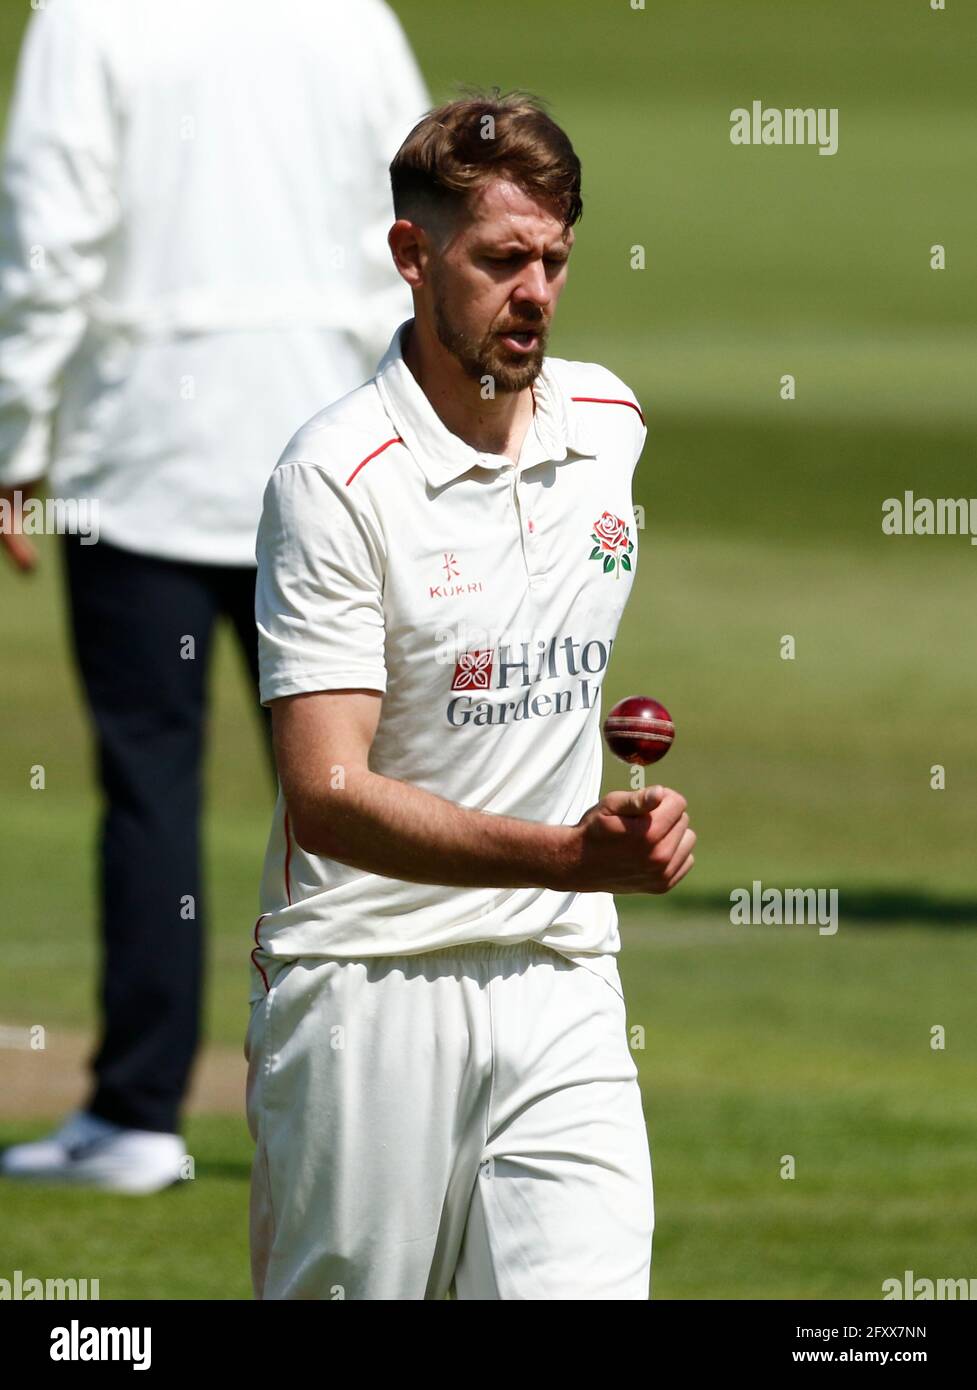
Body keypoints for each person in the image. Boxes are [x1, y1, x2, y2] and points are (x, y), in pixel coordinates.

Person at [247, 92, 697, 1299]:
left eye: (553, 259)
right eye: (502, 259)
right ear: (411, 255)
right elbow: (326, 796)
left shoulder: (608, 425)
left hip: (560, 975)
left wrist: (607, 841)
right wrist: (564, 851)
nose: (536, 292)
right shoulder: (333, 479)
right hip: (365, 985)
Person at [0, 0, 428, 1193]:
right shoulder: (349, 17)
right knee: (357, 788)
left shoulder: (87, 19)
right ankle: (391, 1103)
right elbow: (421, 202)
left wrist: (14, 439)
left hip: (142, 454)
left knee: (150, 780)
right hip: (334, 441)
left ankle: (137, 1115)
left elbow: (50, 228)